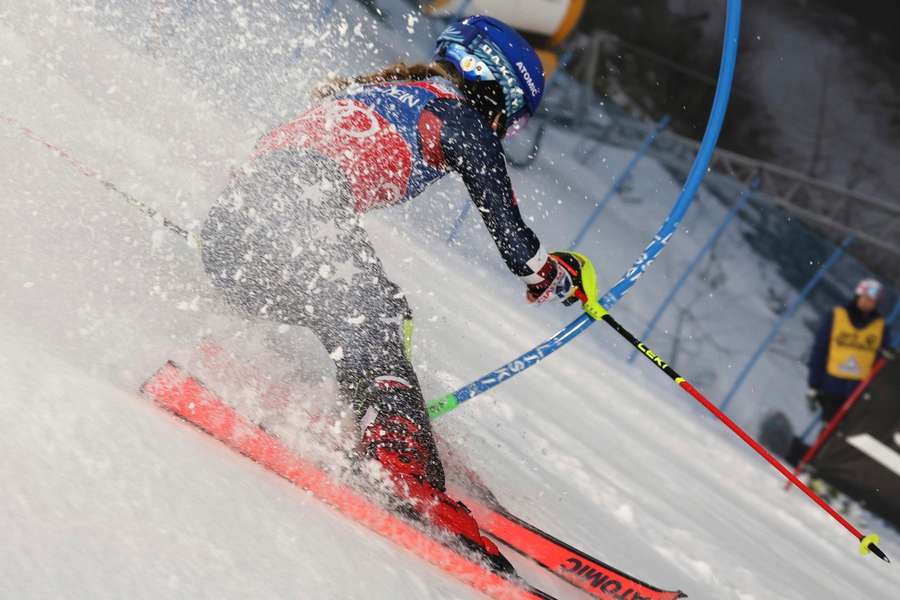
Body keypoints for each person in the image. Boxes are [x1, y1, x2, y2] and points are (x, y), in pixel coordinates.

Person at [199, 15, 595, 571]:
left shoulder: (385, 91)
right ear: (492, 85)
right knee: (374, 311)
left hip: (231, 235)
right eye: (507, 116)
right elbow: (505, 224)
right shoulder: (454, 111)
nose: (501, 130)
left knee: (370, 310)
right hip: (295, 209)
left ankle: (386, 414)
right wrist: (544, 269)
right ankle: (398, 461)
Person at [806, 278, 892, 423]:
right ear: (858, 296)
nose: (868, 303)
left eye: (873, 300)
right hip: (832, 385)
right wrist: (814, 384)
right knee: (828, 427)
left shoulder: (880, 327)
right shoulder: (836, 316)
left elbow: (880, 357)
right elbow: (819, 351)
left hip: (859, 393)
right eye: (866, 298)